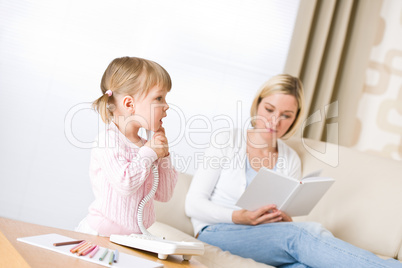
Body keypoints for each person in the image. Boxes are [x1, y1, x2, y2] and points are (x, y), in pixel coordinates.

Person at [185, 74, 401, 267]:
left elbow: (280, 214)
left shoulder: (290, 159)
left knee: (303, 264)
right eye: (269, 109)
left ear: (295, 118)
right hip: (216, 231)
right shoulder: (226, 139)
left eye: (286, 115)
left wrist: (282, 220)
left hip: (264, 236)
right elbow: (192, 204)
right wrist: (239, 216)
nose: (274, 121)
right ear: (257, 105)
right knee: (303, 235)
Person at [76, 56, 178, 237]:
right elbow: (125, 184)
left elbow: (165, 194)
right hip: (100, 235)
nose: (166, 106)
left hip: (132, 238)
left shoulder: (146, 147)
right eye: (159, 98)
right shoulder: (108, 141)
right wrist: (149, 153)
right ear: (130, 104)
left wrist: (164, 155)